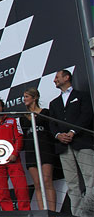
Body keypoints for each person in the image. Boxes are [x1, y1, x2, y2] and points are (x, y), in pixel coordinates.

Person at [48, 69, 94, 216]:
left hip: (83, 143)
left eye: (57, 77)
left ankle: (88, 211)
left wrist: (73, 132)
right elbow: (52, 124)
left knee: (91, 179)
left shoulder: (81, 96)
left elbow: (86, 115)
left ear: (66, 77)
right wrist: (58, 135)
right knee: (73, 184)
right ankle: (78, 215)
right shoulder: (54, 103)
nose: (54, 80)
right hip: (64, 147)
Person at [0, 96, 30, 211]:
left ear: (2, 107)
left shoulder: (13, 121)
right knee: (1, 191)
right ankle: (8, 213)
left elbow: (19, 138)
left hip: (13, 160)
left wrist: (15, 154)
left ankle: (25, 212)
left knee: (21, 188)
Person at [19, 88, 56, 211]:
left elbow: (50, 130)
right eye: (24, 97)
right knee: (38, 183)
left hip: (45, 148)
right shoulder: (23, 117)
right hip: (31, 150)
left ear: (34, 98)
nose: (24, 99)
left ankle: (51, 211)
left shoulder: (45, 112)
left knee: (47, 180)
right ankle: (42, 211)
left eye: (27, 97)